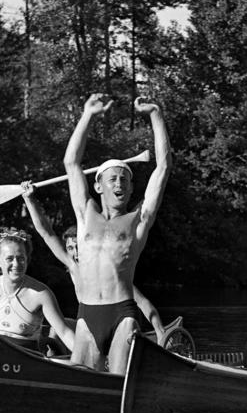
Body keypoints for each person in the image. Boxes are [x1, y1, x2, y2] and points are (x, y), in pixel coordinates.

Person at [63, 94, 171, 373]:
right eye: (112, 179)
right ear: (99, 187)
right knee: (82, 385)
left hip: (122, 313)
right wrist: (87, 115)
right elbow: (71, 163)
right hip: (87, 315)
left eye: (124, 179)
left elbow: (163, 167)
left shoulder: (138, 220)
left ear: (132, 189)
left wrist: (155, 114)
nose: (119, 183)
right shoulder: (85, 214)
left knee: (117, 384)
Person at [20, 184, 166, 344]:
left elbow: (143, 302)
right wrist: (29, 199)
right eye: (70, 248)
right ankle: (57, 360)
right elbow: (46, 232)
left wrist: (160, 333)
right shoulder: (72, 265)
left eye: (78, 246)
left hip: (117, 325)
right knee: (55, 329)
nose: (75, 252)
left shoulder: (108, 269)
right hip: (89, 324)